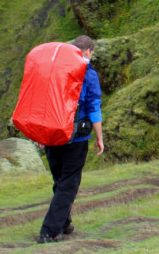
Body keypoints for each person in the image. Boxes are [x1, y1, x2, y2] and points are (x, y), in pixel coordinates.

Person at [38, 35, 104, 244]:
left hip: (51, 134)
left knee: (60, 181)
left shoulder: (53, 71)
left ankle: (64, 222)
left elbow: (43, 103)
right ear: (87, 52)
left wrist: (41, 133)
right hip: (76, 138)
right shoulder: (88, 74)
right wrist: (99, 137)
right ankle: (49, 230)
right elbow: (94, 107)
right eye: (91, 53)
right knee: (68, 184)